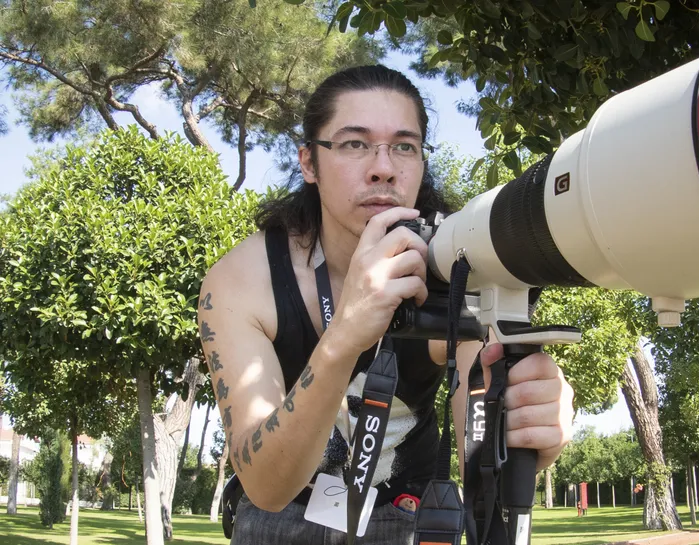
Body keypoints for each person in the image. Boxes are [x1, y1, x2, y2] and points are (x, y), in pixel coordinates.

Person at [196, 64, 575, 545]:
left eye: (404, 146)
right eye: (354, 143)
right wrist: (343, 337)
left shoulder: (459, 263)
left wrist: (525, 422)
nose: (383, 166)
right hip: (280, 514)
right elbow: (266, 485)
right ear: (309, 162)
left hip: (410, 513)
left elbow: (477, 449)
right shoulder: (245, 280)